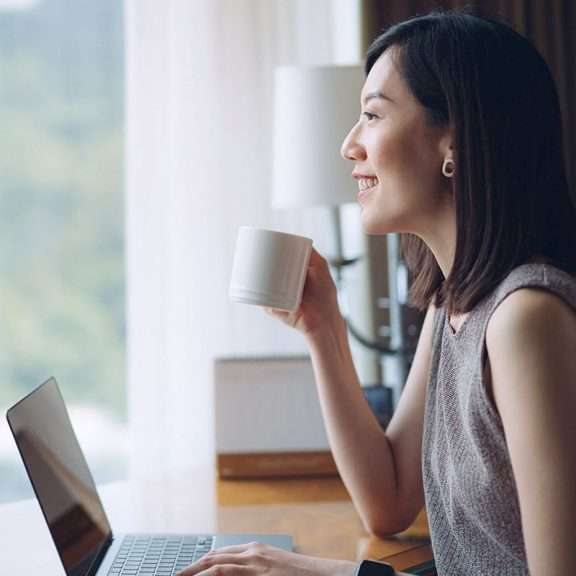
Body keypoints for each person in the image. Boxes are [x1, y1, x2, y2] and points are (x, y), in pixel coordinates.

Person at [179, 9, 576, 576]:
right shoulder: (456, 304)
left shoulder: (526, 319)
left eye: (371, 115)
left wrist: (326, 573)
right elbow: (387, 501)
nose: (348, 146)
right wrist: (324, 329)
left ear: (454, 138)